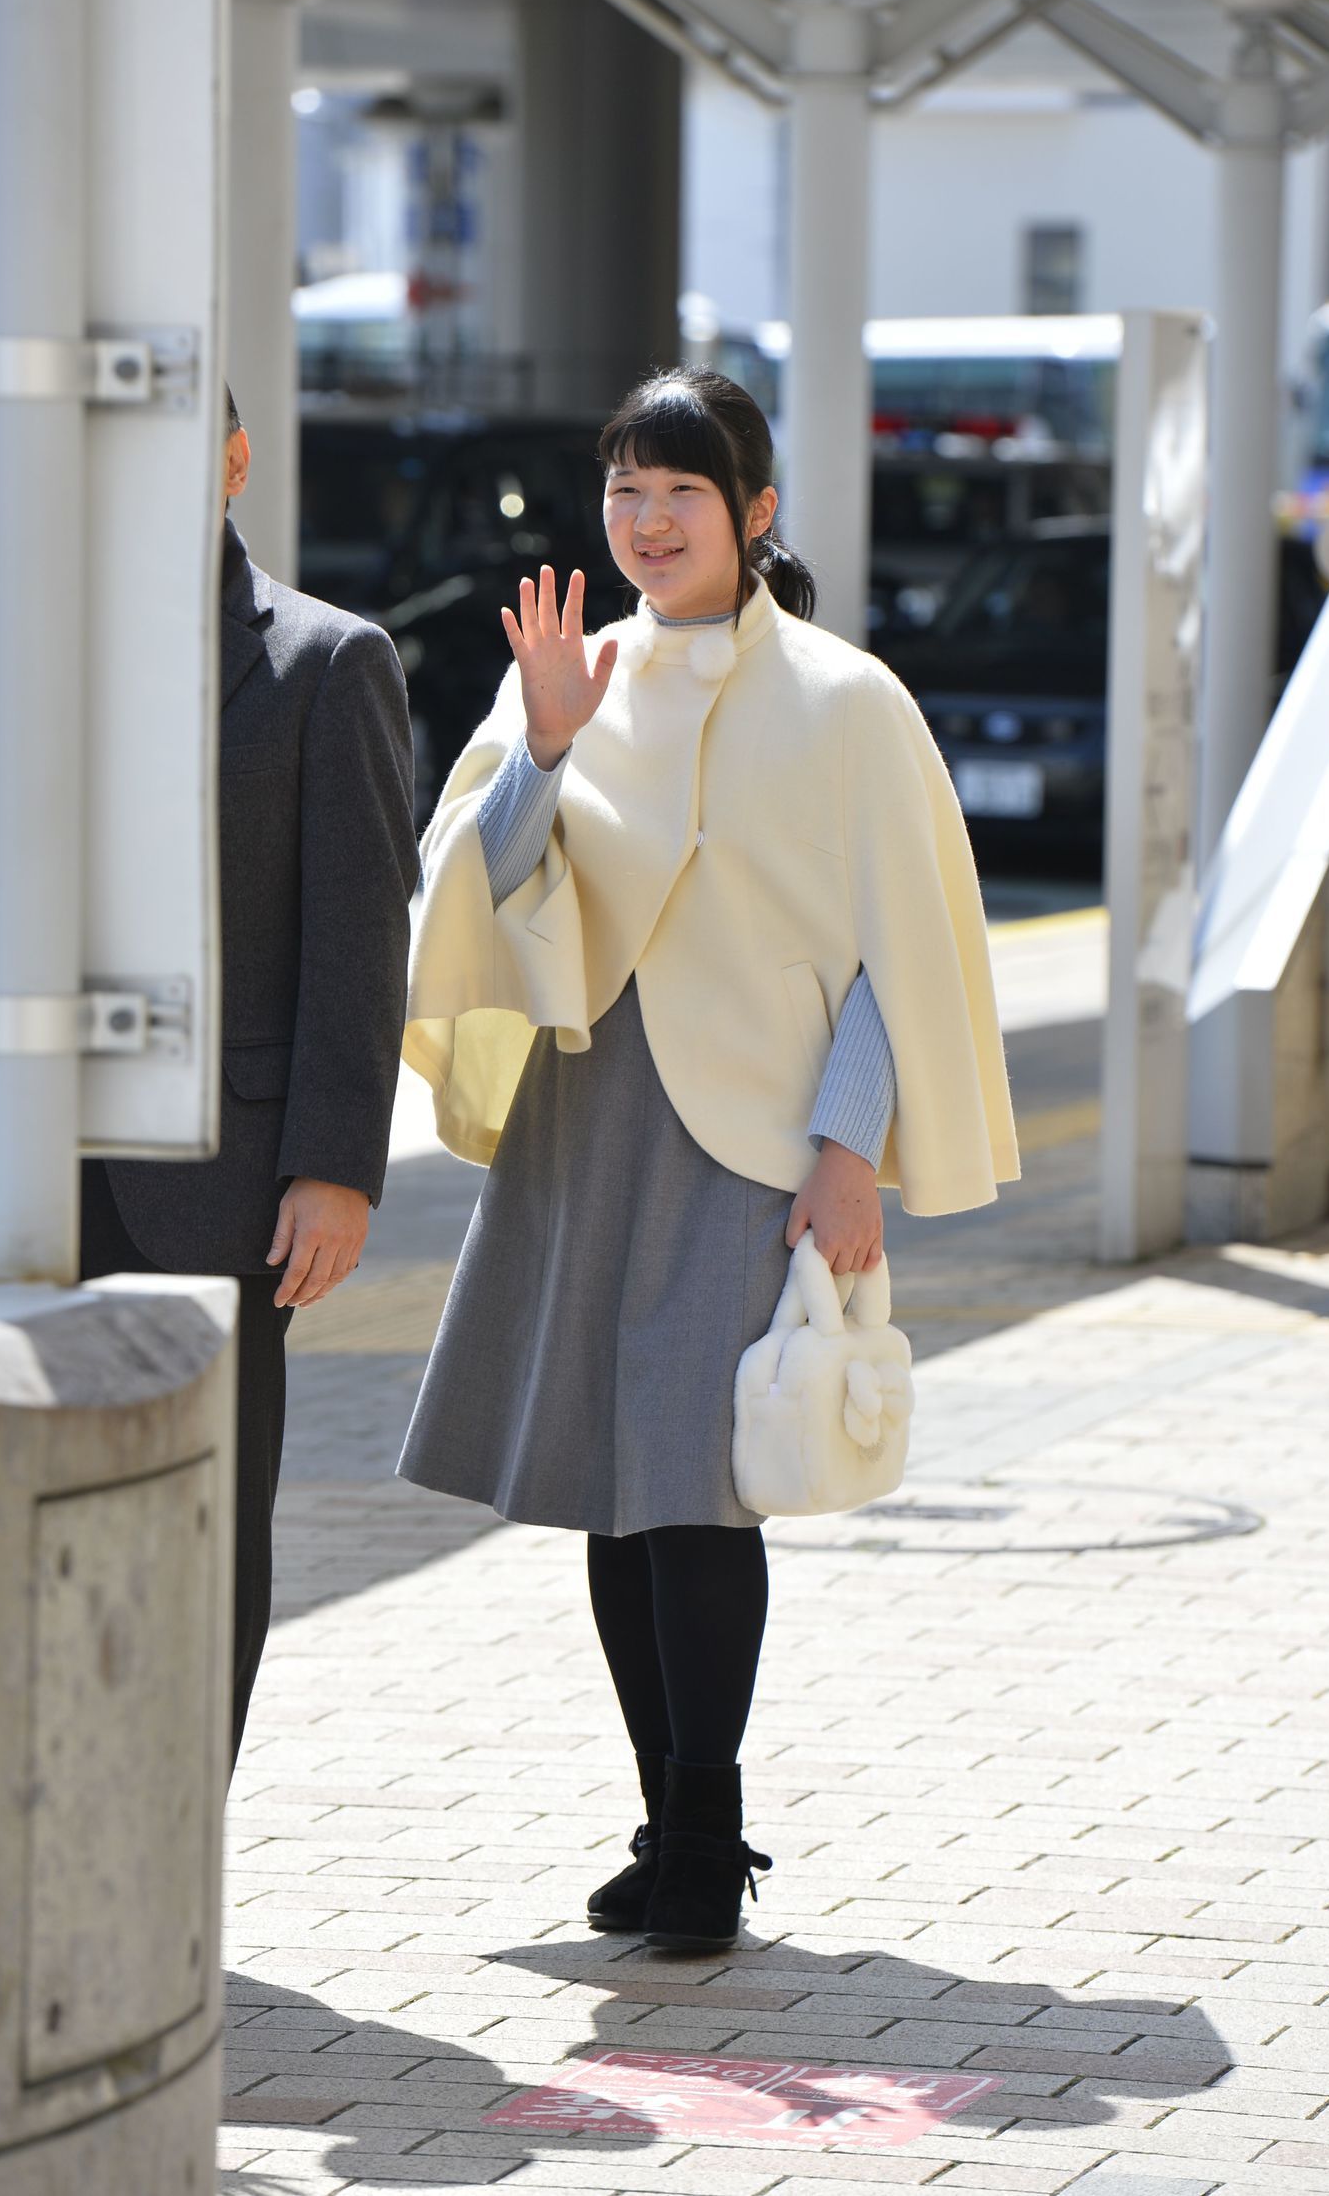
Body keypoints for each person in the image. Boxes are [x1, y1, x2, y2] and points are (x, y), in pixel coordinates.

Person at [398, 367, 1019, 1952]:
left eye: (681, 489)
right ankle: (666, 1819)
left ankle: (708, 1834)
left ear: (754, 511)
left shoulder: (845, 699)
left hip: (750, 1138)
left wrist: (850, 1145)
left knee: (699, 1492)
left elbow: (901, 949)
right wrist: (544, 747)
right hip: (585, 1120)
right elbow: (478, 889)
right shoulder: (571, 675)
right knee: (614, 1491)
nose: (648, 518)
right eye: (626, 489)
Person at [0, 388, 419, 1766]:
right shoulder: (17, 648)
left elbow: (358, 935)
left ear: (234, 459)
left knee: (198, 1531)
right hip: (21, 1164)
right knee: (1, 1510)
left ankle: (169, 1843)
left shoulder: (328, 661)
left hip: (223, 1186)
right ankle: (35, 1821)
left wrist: (335, 1166)